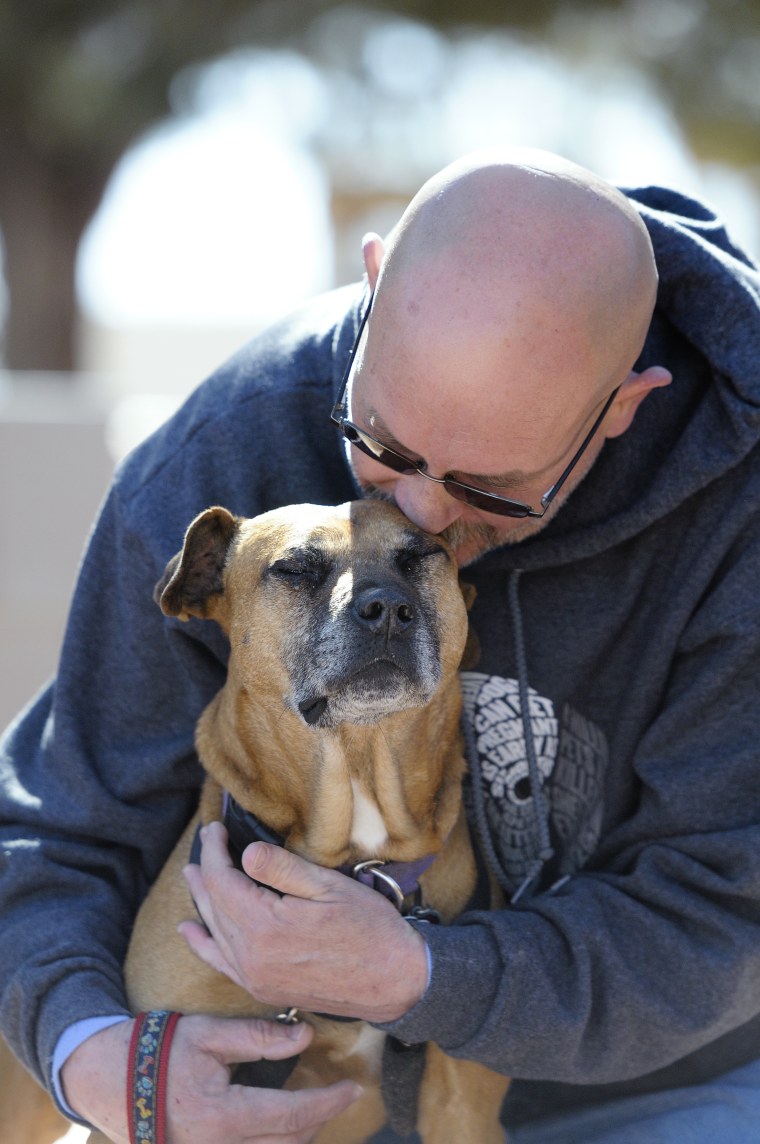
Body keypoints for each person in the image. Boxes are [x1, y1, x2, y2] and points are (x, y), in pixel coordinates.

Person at [1, 145, 760, 1144]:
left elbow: (720, 912)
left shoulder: (740, 518)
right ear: (371, 284)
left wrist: (419, 972)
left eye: (488, 488)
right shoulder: (221, 454)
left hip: (659, 1084)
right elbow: (63, 824)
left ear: (624, 403)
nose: (419, 514)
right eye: (382, 444)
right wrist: (97, 1058)